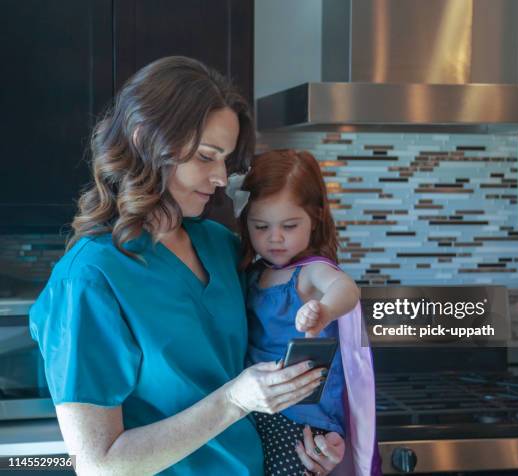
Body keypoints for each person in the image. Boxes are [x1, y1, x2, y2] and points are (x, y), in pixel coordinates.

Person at [28, 57, 344, 475]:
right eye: (206, 156)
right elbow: (99, 464)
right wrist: (235, 400)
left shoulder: (222, 246)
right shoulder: (89, 278)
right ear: (145, 139)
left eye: (225, 160)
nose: (219, 177)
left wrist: (306, 443)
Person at [237, 150, 381, 476]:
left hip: (303, 418)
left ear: (315, 219)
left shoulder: (310, 272)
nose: (275, 238)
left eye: (289, 225)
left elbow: (346, 288)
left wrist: (325, 310)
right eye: (260, 226)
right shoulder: (251, 273)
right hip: (258, 406)